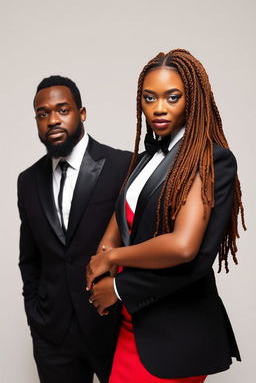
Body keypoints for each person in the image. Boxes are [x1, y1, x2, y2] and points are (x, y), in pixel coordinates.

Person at [86, 49, 246, 383]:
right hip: (131, 326)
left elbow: (185, 250)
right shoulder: (146, 160)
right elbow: (124, 216)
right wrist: (99, 264)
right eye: (149, 98)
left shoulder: (210, 160)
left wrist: (115, 277)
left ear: (193, 99)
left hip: (174, 337)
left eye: (172, 97)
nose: (159, 108)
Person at [17, 75, 131, 383]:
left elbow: (140, 245)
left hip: (112, 327)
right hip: (53, 335)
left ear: (81, 113)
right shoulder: (27, 181)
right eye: (43, 113)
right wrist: (35, 316)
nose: (52, 119)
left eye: (62, 109)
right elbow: (30, 258)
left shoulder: (123, 165)